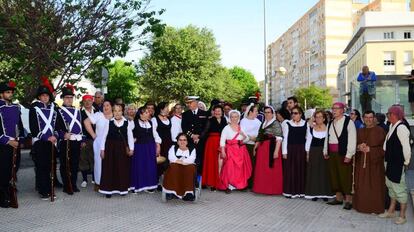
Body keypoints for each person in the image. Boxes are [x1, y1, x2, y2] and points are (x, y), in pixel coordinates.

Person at [379, 106, 411, 225]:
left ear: (396, 114)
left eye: (389, 113)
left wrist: (406, 162)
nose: (388, 115)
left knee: (400, 189)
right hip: (389, 162)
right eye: (388, 113)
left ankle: (402, 216)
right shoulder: (392, 126)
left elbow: (406, 147)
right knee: (391, 187)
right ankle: (391, 211)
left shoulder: (401, 127)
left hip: (397, 163)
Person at [323, 102, 356, 210]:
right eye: (333, 108)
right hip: (332, 153)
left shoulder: (349, 122)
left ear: (342, 110)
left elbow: (352, 139)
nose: (334, 110)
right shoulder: (330, 122)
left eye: (336, 109)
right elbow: (327, 138)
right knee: (334, 175)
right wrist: (325, 150)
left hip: (343, 153)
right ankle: (338, 198)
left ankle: (348, 201)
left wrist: (349, 154)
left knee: (345, 176)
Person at [29, 80, 59, 200]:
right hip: (41, 142)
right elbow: (34, 128)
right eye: (43, 95)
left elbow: (57, 126)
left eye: (47, 95)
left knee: (50, 166)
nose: (45, 97)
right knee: (42, 167)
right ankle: (43, 190)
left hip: (52, 141)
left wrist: (55, 136)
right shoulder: (34, 109)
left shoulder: (54, 109)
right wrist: (47, 137)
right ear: (39, 97)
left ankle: (50, 188)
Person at [353, 110, 386, 214]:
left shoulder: (380, 130)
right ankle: (361, 206)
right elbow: (354, 146)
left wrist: (371, 150)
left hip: (375, 164)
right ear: (363, 118)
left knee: (375, 186)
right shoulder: (359, 131)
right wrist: (359, 147)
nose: (368, 119)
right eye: (366, 117)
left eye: (370, 117)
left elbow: (385, 149)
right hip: (361, 163)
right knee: (362, 185)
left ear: (374, 118)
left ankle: (375, 207)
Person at [99, 103, 134, 198]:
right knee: (109, 168)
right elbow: (104, 137)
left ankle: (122, 189)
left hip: (122, 149)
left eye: (119, 111)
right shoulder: (109, 122)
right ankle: (108, 190)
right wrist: (102, 150)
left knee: (122, 168)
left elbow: (130, 137)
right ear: (113, 112)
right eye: (115, 111)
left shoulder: (127, 123)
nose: (117, 113)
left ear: (122, 112)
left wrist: (131, 148)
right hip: (110, 149)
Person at [0, 81, 24, 208]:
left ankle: (9, 190)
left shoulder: (16, 107)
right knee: (3, 171)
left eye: (11, 92)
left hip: (16, 141)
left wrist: (20, 139)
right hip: (4, 144)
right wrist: (8, 141)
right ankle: (2, 196)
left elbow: (19, 125)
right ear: (1, 94)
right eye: (7, 92)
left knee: (14, 168)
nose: (10, 94)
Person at [56, 84, 82, 194]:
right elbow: (56, 127)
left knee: (75, 164)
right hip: (65, 141)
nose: (69, 99)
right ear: (63, 98)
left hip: (76, 140)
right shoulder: (58, 111)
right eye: (67, 97)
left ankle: (73, 184)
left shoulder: (78, 111)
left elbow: (81, 127)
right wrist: (62, 135)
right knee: (65, 164)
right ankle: (67, 185)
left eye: (71, 97)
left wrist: (83, 140)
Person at [217, 110, 252, 193]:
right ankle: (228, 186)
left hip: (240, 150)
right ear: (230, 118)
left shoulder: (241, 127)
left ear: (238, 118)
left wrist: (242, 134)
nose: (234, 118)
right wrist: (223, 151)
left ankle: (239, 185)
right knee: (229, 168)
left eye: (236, 116)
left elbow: (246, 139)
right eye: (232, 117)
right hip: (230, 150)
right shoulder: (226, 128)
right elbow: (222, 141)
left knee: (239, 169)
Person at [252, 106, 283, 195]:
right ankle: (262, 188)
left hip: (272, 147)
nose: (267, 114)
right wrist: (255, 147)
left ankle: (272, 189)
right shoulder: (263, 123)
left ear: (272, 113)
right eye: (265, 112)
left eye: (268, 112)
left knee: (271, 169)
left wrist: (276, 151)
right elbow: (259, 136)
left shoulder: (276, 123)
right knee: (262, 169)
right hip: (262, 148)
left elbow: (279, 138)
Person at [84, 99, 113, 191]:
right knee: (99, 163)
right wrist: (93, 135)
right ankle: (98, 183)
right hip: (99, 142)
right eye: (104, 106)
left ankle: (112, 182)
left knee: (112, 162)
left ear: (111, 107)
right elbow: (86, 122)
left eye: (108, 105)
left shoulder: (116, 116)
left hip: (112, 143)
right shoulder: (98, 115)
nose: (105, 107)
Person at [130, 107, 161, 193]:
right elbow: (128, 133)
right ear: (141, 114)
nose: (149, 113)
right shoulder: (134, 123)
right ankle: (137, 186)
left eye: (148, 112)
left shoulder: (151, 123)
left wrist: (158, 145)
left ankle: (149, 186)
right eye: (146, 112)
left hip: (150, 147)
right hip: (139, 148)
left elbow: (155, 135)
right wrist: (133, 140)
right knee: (139, 166)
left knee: (150, 166)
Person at [304, 110, 334, 201]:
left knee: (325, 173)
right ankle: (314, 193)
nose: (318, 119)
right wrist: (308, 154)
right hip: (314, 152)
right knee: (314, 173)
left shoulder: (329, 128)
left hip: (325, 152)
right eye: (316, 117)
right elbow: (308, 142)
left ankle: (325, 194)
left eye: (320, 117)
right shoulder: (311, 128)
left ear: (324, 118)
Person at [282, 106, 307, 198]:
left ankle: (301, 192)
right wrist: (284, 152)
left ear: (300, 114)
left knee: (301, 170)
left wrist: (307, 151)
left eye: (295, 113)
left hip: (301, 149)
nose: (293, 115)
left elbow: (308, 138)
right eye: (292, 113)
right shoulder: (287, 123)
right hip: (291, 149)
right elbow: (285, 138)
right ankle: (290, 192)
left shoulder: (306, 124)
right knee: (291, 170)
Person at [162, 133, 197, 201]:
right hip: (176, 166)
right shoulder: (173, 148)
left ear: (187, 141)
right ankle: (171, 192)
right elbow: (171, 158)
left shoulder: (192, 149)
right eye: (180, 140)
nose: (182, 142)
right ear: (177, 141)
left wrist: (181, 162)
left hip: (187, 166)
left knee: (190, 168)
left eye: (184, 140)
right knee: (173, 167)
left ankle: (188, 193)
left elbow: (191, 159)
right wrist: (181, 162)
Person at [201, 105, 227, 191]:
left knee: (221, 162)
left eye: (219, 111)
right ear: (213, 112)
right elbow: (205, 131)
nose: (217, 112)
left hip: (222, 142)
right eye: (216, 111)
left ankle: (220, 181)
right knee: (212, 162)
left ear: (222, 112)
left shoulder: (224, 120)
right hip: (212, 143)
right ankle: (212, 183)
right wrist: (199, 139)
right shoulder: (210, 120)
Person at [181, 96, 208, 174]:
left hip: (201, 140)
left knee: (201, 159)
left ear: (196, 103)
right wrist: (192, 136)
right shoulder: (185, 114)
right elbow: (184, 128)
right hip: (190, 140)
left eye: (191, 102)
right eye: (188, 103)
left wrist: (199, 136)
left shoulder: (204, 113)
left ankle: (200, 179)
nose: (189, 104)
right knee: (190, 159)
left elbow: (205, 127)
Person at [240, 103, 262, 189]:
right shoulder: (243, 121)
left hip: (255, 146)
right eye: (256, 111)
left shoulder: (258, 122)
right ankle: (245, 183)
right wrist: (249, 137)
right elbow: (242, 132)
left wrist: (256, 139)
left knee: (254, 164)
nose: (257, 113)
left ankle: (252, 184)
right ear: (250, 112)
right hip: (246, 145)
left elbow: (261, 133)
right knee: (246, 165)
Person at [79, 94, 96, 188]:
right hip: (85, 139)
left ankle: (94, 178)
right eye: (85, 101)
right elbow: (79, 127)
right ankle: (84, 179)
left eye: (89, 100)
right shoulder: (80, 113)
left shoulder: (97, 111)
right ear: (83, 102)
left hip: (95, 139)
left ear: (92, 101)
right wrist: (82, 140)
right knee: (83, 159)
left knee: (94, 159)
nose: (88, 102)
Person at [152, 102, 172, 179]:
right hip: (160, 144)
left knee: (167, 161)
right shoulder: (155, 119)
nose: (168, 109)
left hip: (168, 143)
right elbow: (154, 132)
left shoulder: (169, 119)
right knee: (159, 162)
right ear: (161, 109)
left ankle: (166, 181)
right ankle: (156, 181)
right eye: (166, 107)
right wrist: (157, 144)